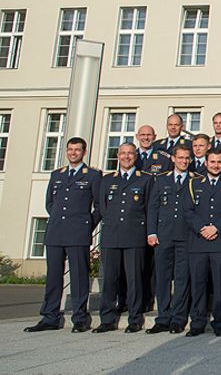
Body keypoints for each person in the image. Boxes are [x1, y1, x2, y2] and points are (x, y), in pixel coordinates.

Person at [25, 137, 101, 333]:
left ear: (84, 152)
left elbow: (100, 206)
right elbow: (50, 203)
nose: (73, 153)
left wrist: (87, 224)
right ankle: (49, 316)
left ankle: (79, 318)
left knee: (78, 276)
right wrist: (60, 218)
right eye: (70, 150)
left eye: (77, 150)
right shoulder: (57, 175)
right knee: (53, 277)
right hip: (56, 232)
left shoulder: (92, 175)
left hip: (78, 232)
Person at [94, 143, 153, 333]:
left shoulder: (145, 179)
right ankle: (107, 319)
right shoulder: (106, 180)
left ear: (136, 157)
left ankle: (135, 319)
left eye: (130, 154)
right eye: (123, 153)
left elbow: (150, 208)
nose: (127, 157)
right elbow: (101, 206)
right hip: (111, 235)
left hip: (134, 235)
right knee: (110, 279)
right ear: (117, 156)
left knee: (134, 279)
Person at [184, 149, 221, 337]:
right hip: (199, 242)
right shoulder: (193, 183)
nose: (216, 165)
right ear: (206, 163)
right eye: (212, 162)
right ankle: (197, 322)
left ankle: (220, 323)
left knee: (220, 285)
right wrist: (202, 228)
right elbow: (188, 211)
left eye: (219, 162)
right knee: (198, 284)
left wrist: (216, 228)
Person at [145, 145, 197, 334]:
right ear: (173, 159)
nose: (184, 161)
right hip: (164, 236)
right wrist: (152, 232)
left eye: (187, 158)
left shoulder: (195, 181)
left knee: (182, 279)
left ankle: (178, 318)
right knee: (163, 278)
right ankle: (163, 317)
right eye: (181, 158)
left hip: (186, 237)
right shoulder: (161, 180)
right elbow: (153, 207)